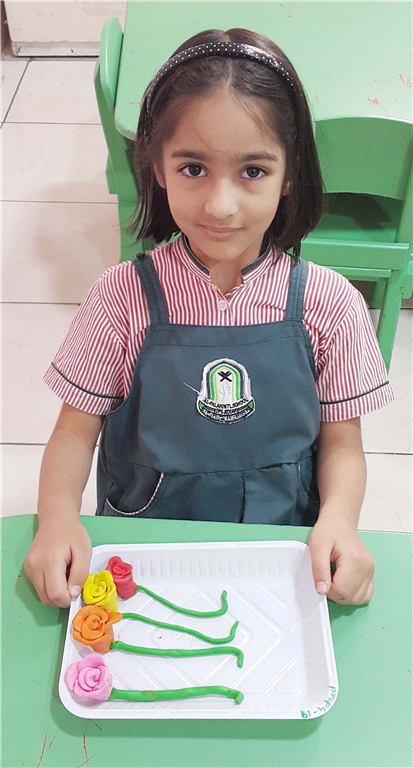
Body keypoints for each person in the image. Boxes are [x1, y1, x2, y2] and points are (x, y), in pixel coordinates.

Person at [24, 28, 394, 610]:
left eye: (253, 171)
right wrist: (56, 519)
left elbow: (342, 444)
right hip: (144, 550)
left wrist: (342, 522)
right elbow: (74, 433)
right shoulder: (120, 298)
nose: (221, 205)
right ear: (156, 165)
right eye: (193, 168)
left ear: (290, 173)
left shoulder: (331, 304)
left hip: (280, 552)